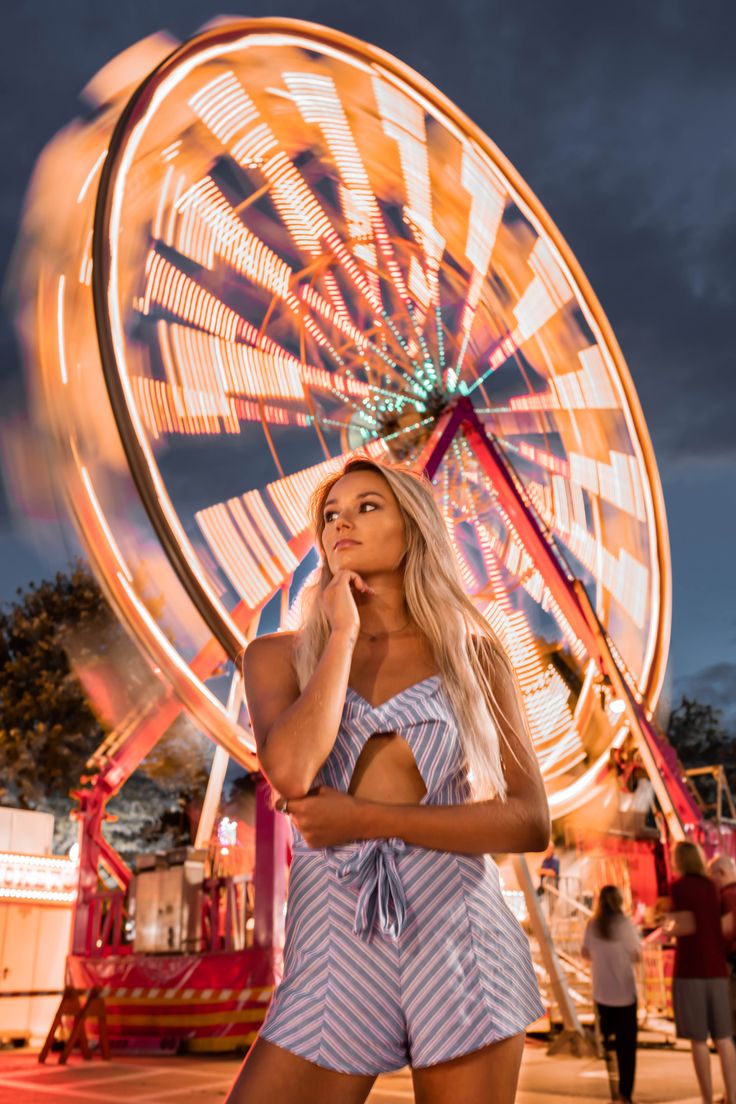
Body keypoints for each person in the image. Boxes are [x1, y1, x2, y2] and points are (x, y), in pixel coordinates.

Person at [227, 457, 550, 1104]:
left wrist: (371, 821)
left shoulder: (475, 656)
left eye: (368, 505)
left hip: (460, 936)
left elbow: (530, 820)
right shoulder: (277, 656)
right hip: (334, 940)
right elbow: (289, 770)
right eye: (331, 513)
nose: (342, 519)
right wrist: (341, 632)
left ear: (415, 526)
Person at [664, 841, 736, 1104]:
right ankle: (733, 1096)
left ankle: (707, 1098)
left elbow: (673, 925)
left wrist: (670, 926)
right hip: (716, 969)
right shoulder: (714, 888)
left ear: (680, 861)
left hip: (690, 969)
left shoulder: (679, 887)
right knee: (724, 1037)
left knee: (698, 1040)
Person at [581, 885, 641, 1104]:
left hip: (602, 995)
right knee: (628, 1049)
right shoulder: (625, 925)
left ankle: (614, 1093)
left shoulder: (593, 926)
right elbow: (637, 956)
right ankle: (626, 1094)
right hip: (625, 995)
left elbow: (584, 953)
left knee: (611, 1047)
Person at [707, 854, 736, 1037]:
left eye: (713, 876)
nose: (712, 881)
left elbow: (728, 931)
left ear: (722, 872)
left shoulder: (727, 896)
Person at [537, 842, 560, 914]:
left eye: (549, 848)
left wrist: (543, 871)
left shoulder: (555, 859)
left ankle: (552, 921)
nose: (547, 850)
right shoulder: (545, 860)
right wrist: (544, 871)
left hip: (552, 887)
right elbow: (539, 872)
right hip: (544, 887)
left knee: (552, 907)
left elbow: (553, 873)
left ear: (552, 849)